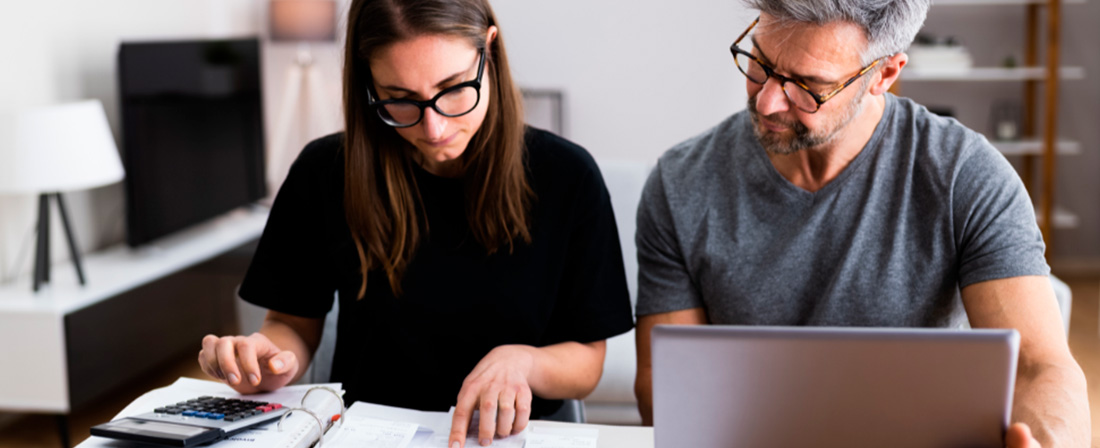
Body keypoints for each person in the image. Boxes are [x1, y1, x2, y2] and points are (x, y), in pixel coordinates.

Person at [632, 0, 1089, 446]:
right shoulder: (681, 183)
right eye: (760, 61)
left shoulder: (965, 177)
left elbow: (1039, 367)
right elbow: (665, 385)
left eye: (808, 85)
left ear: (884, 75)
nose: (768, 101)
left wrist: (1047, 441)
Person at [197, 1, 634, 447]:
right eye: (400, 99)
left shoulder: (567, 176)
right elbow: (291, 325)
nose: (434, 127)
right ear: (368, 82)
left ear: (490, 52)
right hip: (367, 436)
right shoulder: (325, 171)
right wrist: (266, 359)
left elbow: (587, 362)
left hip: (508, 437)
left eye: (453, 88)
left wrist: (522, 363)